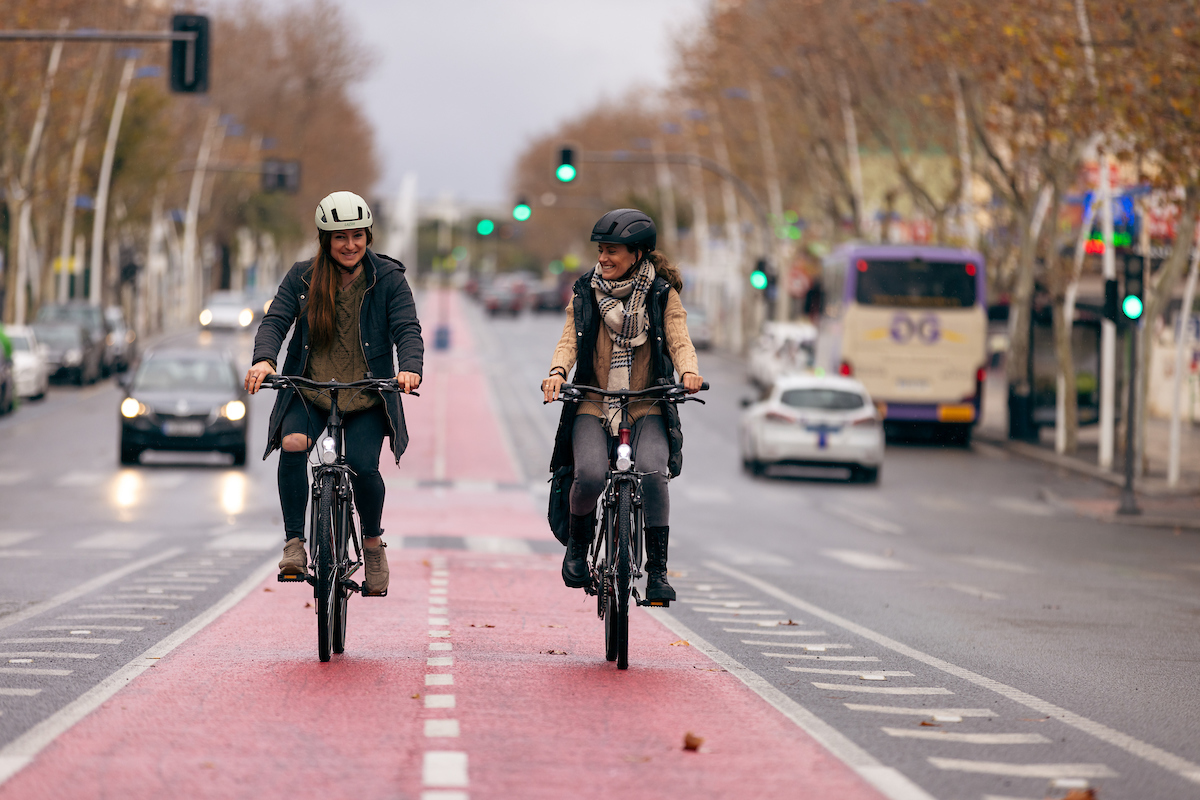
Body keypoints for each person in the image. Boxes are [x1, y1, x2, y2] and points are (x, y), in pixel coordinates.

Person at [244, 191, 423, 594]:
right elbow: (275, 321)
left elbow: (407, 328)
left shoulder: (388, 278)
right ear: (325, 239)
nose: (350, 244)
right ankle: (295, 543)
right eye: (340, 237)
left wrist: (410, 367)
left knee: (362, 465)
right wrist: (264, 360)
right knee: (293, 443)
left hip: (366, 394)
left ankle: (372, 545)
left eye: (357, 235)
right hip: (310, 390)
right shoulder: (303, 276)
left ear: (368, 236)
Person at [542, 208, 704, 602]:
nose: (603, 258)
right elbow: (569, 339)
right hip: (594, 402)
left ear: (637, 254)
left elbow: (679, 339)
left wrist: (689, 372)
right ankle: (578, 550)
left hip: (646, 404)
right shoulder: (586, 290)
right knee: (589, 476)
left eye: (612, 251)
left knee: (653, 473)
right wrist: (557, 372)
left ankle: (658, 572)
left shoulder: (662, 294)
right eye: (600, 250)